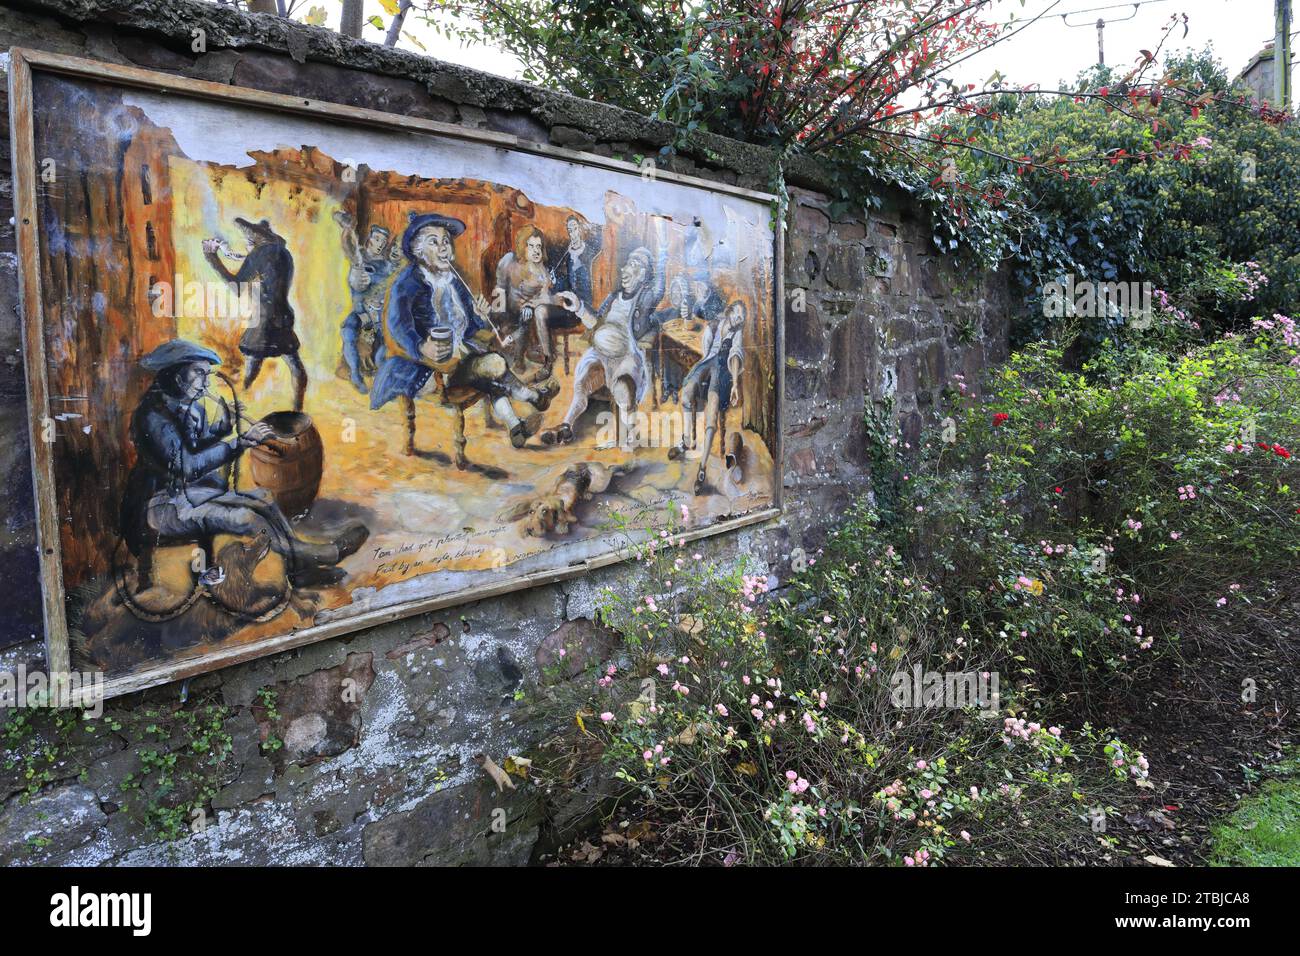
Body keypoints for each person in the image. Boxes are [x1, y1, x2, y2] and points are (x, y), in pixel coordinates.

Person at [119, 340, 368, 589]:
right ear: (177, 376)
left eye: (207, 374)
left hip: (190, 494)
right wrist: (241, 442)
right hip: (161, 506)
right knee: (246, 517)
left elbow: (200, 445)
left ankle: (299, 570)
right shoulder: (153, 417)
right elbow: (188, 466)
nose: (206, 382)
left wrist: (224, 425)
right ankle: (326, 554)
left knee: (263, 498)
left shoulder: (191, 407)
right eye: (199, 373)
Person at [369, 212, 556, 465]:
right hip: (423, 365)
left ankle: (515, 425)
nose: (444, 247)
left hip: (458, 356)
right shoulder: (407, 282)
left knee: (488, 374)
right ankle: (531, 396)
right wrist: (420, 345)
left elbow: (468, 326)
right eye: (434, 242)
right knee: (494, 365)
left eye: (445, 241)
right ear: (419, 250)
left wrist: (479, 315)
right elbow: (397, 325)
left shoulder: (453, 279)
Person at [540, 238, 667, 447]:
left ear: (643, 275)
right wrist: (578, 307)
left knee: (623, 389)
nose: (625, 270)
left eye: (634, 266)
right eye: (627, 264)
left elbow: (660, 286)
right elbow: (596, 325)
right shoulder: (613, 297)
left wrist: (661, 243)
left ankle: (626, 440)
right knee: (582, 382)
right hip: (600, 353)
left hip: (626, 355)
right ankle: (566, 426)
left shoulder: (645, 298)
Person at [202, 217, 307, 411]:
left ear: (256, 241)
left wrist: (213, 258)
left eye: (249, 242)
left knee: (253, 364)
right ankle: (297, 409)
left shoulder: (259, 255)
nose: (247, 246)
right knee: (293, 363)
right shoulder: (284, 254)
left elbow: (236, 286)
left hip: (264, 319)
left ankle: (240, 399)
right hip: (283, 315)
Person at [669, 299, 747, 495]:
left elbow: (736, 355)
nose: (739, 319)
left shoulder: (737, 334)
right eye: (737, 314)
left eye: (742, 318)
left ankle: (701, 468)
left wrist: (735, 384)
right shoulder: (714, 325)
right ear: (729, 312)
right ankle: (687, 440)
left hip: (721, 372)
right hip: (706, 364)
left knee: (712, 412)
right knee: (686, 395)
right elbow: (705, 349)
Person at [334, 214, 393, 393]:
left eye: (384, 241)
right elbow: (357, 293)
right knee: (348, 332)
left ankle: (382, 378)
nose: (380, 243)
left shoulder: (387, 266)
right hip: (361, 311)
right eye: (377, 239)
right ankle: (355, 374)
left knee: (388, 339)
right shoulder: (359, 261)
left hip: (381, 313)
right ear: (370, 240)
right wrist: (364, 316)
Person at [538, 215, 603, 372]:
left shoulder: (592, 252)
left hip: (585, 308)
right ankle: (548, 359)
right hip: (568, 307)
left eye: (575, 229)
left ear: (580, 229)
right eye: (569, 230)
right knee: (540, 310)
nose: (572, 234)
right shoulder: (565, 255)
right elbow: (562, 286)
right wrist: (554, 281)